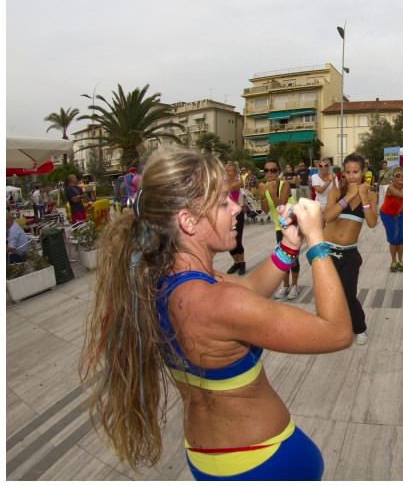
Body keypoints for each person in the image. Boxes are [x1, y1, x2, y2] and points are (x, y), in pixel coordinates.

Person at [80, 146, 351, 480]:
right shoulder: (215, 301)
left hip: (210, 456)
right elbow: (337, 332)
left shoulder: (163, 278)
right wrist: (317, 240)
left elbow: (248, 291)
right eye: (223, 201)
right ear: (188, 220)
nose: (237, 206)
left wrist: (290, 245)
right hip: (264, 461)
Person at [323, 153, 378, 345]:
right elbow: (328, 217)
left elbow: (372, 223)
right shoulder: (337, 192)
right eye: (348, 172)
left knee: (348, 294)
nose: (352, 176)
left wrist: (363, 198)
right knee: (327, 295)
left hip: (350, 253)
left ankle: (359, 327)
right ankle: (330, 329)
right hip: (327, 252)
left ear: (363, 172)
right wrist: (348, 197)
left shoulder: (370, 195)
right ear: (343, 173)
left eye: (356, 171)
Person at [259, 159, 300, 299]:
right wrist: (263, 196)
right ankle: (285, 286)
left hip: (292, 225)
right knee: (282, 258)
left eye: (273, 170)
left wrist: (271, 192)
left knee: (293, 258)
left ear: (278, 172)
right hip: (279, 227)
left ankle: (294, 286)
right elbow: (264, 211)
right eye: (266, 170)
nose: (269, 173)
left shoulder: (285, 184)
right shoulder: (264, 186)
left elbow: (281, 207)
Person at [380, 166, 403, 272]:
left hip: (399, 214)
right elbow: (400, 195)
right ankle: (393, 261)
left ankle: (400, 261)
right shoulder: (390, 187)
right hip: (387, 214)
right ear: (393, 178)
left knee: (400, 239)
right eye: (397, 175)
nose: (401, 177)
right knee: (393, 239)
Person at [224, 162, 247, 276]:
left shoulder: (237, 183)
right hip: (226, 215)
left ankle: (242, 263)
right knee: (229, 241)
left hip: (237, 214)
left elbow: (228, 188)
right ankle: (236, 262)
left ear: (235, 172)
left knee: (237, 241)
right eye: (226, 170)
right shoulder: (222, 183)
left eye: (230, 170)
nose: (227, 173)